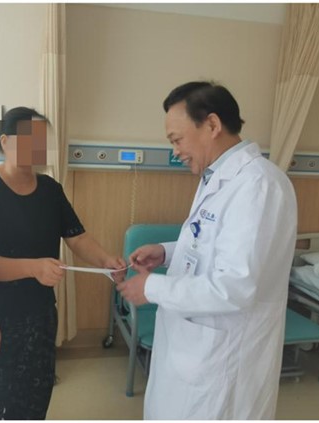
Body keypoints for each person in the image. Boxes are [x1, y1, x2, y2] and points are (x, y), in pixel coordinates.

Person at [116, 81, 298, 419]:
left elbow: (235, 285)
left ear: (212, 124)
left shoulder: (258, 185)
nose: (175, 151)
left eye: (177, 139)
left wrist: (151, 287)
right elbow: (213, 242)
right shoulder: (217, 177)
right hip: (196, 345)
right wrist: (166, 252)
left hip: (225, 359)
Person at [0, 107, 127, 420]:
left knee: (34, 398)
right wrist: (33, 267)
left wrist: (106, 260)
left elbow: (77, 237)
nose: (38, 147)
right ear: (5, 141)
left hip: (40, 316)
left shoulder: (50, 190)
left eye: (42, 140)